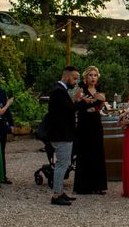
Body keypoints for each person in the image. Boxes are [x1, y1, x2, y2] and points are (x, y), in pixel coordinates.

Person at [46, 66, 89, 206]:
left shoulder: (60, 90)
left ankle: (60, 191)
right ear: (66, 76)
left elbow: (66, 108)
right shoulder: (59, 91)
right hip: (61, 134)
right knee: (62, 164)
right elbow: (69, 110)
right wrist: (80, 101)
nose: (76, 82)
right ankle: (56, 195)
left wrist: (75, 100)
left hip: (62, 132)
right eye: (75, 78)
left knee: (63, 163)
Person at [73, 66, 107, 195]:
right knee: (85, 152)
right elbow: (76, 106)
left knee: (97, 151)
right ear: (86, 77)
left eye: (95, 75)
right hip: (84, 123)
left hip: (96, 122)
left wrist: (100, 102)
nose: (93, 78)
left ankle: (98, 185)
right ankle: (84, 186)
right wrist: (85, 103)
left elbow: (101, 105)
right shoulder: (81, 89)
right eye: (90, 75)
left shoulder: (99, 90)